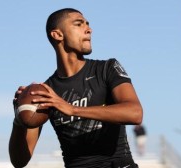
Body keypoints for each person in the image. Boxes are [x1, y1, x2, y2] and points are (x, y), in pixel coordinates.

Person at [9, 8, 143, 168]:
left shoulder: (106, 68)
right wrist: (18, 121)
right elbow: (19, 162)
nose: (89, 29)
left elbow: (135, 113)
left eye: (87, 24)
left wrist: (72, 109)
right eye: (79, 24)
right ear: (57, 34)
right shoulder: (45, 92)